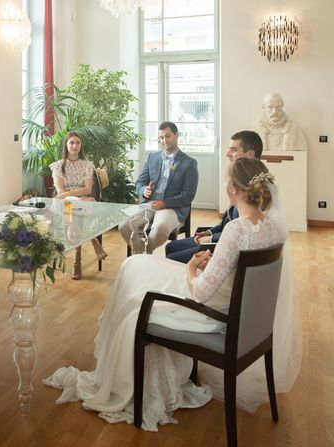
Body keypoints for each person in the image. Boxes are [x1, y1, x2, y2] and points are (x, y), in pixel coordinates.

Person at [44, 156, 290, 430]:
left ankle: (124, 380)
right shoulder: (273, 228)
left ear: (233, 189)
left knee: (135, 282)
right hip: (239, 310)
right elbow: (240, 270)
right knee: (138, 267)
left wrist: (192, 269)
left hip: (212, 312)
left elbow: (200, 293)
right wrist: (212, 264)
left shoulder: (235, 230)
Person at [166, 130, 263, 263]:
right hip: (220, 238)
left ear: (250, 154)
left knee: (172, 258)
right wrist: (210, 232)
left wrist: (211, 239)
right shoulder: (241, 179)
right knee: (171, 246)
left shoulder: (255, 189)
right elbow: (227, 223)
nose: (227, 154)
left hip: (226, 249)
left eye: (233, 149)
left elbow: (242, 233)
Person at [119, 121, 199, 254]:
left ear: (176, 135)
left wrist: (165, 203)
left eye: (167, 136)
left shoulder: (189, 163)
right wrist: (143, 190)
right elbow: (139, 182)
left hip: (172, 207)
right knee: (124, 226)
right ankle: (143, 257)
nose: (164, 141)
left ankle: (143, 255)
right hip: (149, 204)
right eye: (161, 137)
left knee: (160, 229)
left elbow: (188, 195)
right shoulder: (152, 157)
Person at [50, 131, 108, 280]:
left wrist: (75, 195)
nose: (75, 146)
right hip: (68, 205)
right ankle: (87, 247)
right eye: (71, 143)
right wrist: (78, 196)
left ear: (81, 145)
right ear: (66, 145)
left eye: (77, 143)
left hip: (82, 202)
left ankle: (78, 256)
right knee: (73, 206)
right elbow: (61, 191)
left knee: (76, 208)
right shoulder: (58, 166)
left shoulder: (88, 165)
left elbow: (88, 190)